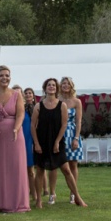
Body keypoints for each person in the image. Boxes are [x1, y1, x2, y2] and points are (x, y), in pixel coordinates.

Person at [31, 77, 88, 207]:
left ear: (56, 89)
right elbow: (33, 126)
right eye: (49, 85)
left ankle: (77, 197)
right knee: (40, 170)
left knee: (67, 169)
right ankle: (39, 200)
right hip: (42, 141)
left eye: (53, 85)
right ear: (45, 88)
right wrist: (36, 143)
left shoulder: (61, 105)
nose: (51, 87)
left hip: (58, 141)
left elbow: (64, 125)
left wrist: (57, 141)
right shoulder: (38, 106)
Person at [0, 67, 30, 213]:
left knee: (15, 167)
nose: (5, 78)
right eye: (1, 75)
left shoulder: (16, 94)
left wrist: (16, 128)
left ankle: (17, 203)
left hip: (14, 135)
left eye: (7, 75)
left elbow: (21, 114)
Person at [60, 77, 84, 201]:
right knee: (60, 165)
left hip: (72, 133)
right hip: (59, 133)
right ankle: (52, 193)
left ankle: (73, 193)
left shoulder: (76, 102)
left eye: (67, 83)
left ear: (71, 86)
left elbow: (78, 121)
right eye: (63, 83)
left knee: (73, 165)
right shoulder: (57, 100)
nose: (65, 85)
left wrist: (76, 138)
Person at [20, 86, 39, 206]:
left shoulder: (37, 108)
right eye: (26, 93)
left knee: (32, 170)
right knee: (24, 169)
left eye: (30, 93)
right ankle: (25, 193)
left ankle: (35, 194)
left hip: (33, 139)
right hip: (23, 139)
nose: (28, 95)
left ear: (33, 95)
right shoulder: (21, 108)